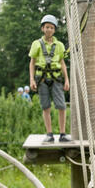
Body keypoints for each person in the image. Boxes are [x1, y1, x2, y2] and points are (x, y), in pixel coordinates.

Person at [29, 14, 71, 142]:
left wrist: (67, 80)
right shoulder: (37, 44)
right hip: (42, 79)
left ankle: (63, 133)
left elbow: (62, 63)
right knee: (45, 106)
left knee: (61, 106)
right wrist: (31, 79)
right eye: (47, 27)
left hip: (56, 78)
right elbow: (32, 62)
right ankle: (49, 133)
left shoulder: (59, 45)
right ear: (43, 28)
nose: (49, 30)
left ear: (54, 30)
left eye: (52, 28)